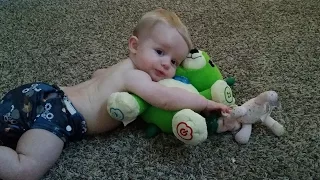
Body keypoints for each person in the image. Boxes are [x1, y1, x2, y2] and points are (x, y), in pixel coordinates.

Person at [0, 8, 231, 180]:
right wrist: (204, 102)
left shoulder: (118, 69)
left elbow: (96, 74)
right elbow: (166, 98)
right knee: (25, 168)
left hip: (40, 93)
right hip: (61, 114)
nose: (165, 65)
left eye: (174, 62)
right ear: (134, 45)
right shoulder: (137, 77)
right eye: (159, 51)